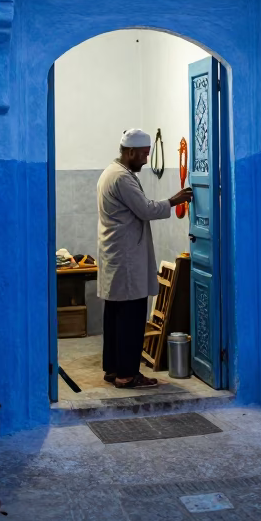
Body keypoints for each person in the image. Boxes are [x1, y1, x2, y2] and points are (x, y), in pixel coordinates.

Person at [97, 128, 193, 389]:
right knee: (131, 317)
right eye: (143, 154)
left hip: (117, 256)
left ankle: (114, 368)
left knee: (115, 316)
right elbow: (146, 209)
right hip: (127, 260)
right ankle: (127, 375)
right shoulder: (122, 178)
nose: (146, 159)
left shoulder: (111, 172)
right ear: (130, 152)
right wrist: (176, 200)